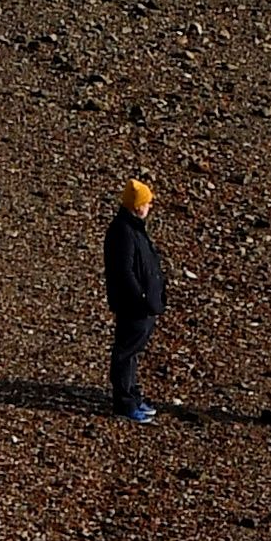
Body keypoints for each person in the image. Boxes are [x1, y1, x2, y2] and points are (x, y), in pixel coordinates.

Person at [103, 179, 167, 422]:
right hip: (134, 307)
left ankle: (132, 395)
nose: (150, 205)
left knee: (132, 351)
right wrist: (141, 298)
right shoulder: (123, 231)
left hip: (143, 305)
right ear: (138, 206)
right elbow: (123, 271)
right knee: (126, 353)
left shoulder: (133, 227)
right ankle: (125, 403)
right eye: (147, 202)